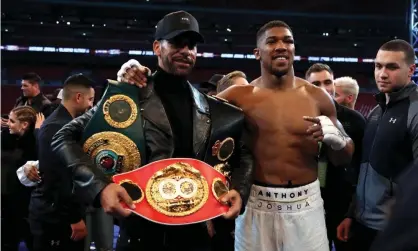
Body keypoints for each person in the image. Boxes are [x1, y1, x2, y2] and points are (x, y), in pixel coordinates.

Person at [118, 20, 354, 251]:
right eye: (272, 41)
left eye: (288, 41)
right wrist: (133, 74)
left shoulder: (318, 98)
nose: (281, 46)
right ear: (257, 53)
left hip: (306, 203)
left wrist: (338, 142)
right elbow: (185, 114)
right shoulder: (236, 97)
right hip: (254, 203)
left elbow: (343, 157)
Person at [51, 10, 254, 251]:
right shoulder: (129, 96)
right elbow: (63, 137)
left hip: (195, 232)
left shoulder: (211, 108)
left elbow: (243, 153)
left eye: (191, 46)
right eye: (177, 43)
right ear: (157, 47)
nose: (186, 51)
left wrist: (239, 191)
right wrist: (100, 187)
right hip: (141, 230)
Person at [336, 39, 418, 251]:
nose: (382, 74)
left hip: (394, 230)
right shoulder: (375, 111)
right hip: (363, 225)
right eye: (378, 66)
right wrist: (352, 214)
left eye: (392, 67)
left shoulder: (415, 111)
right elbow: (363, 169)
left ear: (411, 70)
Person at [29, 74, 95, 251]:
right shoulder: (57, 127)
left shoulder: (65, 123)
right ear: (78, 97)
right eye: (90, 99)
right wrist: (73, 218)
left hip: (58, 212)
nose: (91, 105)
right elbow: (57, 177)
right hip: (55, 217)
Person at [306, 63, 366, 251]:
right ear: (306, 87)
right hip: (306, 204)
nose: (323, 88)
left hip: (342, 204)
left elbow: (362, 169)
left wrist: (352, 212)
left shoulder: (355, 120)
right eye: (316, 83)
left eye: (327, 82)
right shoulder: (295, 118)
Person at [1, 106, 43, 251]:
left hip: (27, 205)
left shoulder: (35, 143)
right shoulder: (5, 137)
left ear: (24, 124)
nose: (8, 124)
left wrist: (39, 132)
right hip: (7, 202)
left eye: (12, 121)